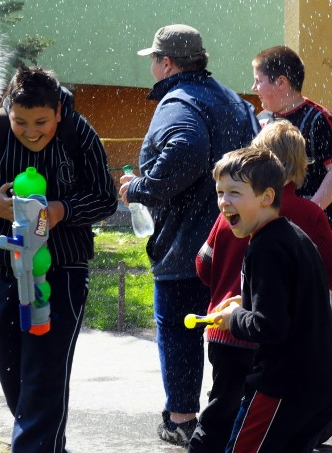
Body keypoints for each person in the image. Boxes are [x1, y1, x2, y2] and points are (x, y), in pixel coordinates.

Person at [0, 66, 117, 452]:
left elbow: (105, 197)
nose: (31, 131)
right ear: (8, 109)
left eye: (41, 121)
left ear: (58, 110)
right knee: (17, 382)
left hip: (62, 275)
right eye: (21, 122)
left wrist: (60, 210)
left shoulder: (79, 133)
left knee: (42, 382)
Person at [119, 24, 258, 446]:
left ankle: (181, 417)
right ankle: (237, 419)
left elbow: (186, 148)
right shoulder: (233, 99)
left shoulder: (177, 101)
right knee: (233, 332)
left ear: (167, 63)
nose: (152, 69)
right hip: (237, 241)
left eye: (154, 61)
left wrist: (140, 188)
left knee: (179, 330)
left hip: (186, 245)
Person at [190, 121, 332, 452]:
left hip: (283, 386)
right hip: (315, 386)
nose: (224, 203)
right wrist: (249, 300)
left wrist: (234, 317)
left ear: (267, 196)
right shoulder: (291, 236)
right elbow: (295, 304)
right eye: (220, 193)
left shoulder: (266, 247)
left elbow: (270, 326)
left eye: (235, 193)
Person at [251, 45, 332, 226]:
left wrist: (311, 210)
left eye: (258, 81)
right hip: (270, 222)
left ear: (281, 82)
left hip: (311, 226)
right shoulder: (261, 120)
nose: (253, 88)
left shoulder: (318, 119)